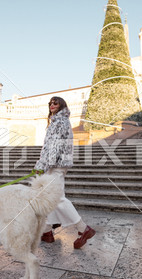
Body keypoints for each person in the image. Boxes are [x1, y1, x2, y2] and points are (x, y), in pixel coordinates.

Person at [34, 96, 95, 249]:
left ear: (61, 105)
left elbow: (55, 147)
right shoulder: (57, 121)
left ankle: (83, 228)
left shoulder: (60, 121)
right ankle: (47, 231)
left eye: (55, 103)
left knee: (57, 198)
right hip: (54, 165)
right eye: (50, 103)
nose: (52, 105)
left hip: (55, 165)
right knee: (47, 197)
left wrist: (43, 165)